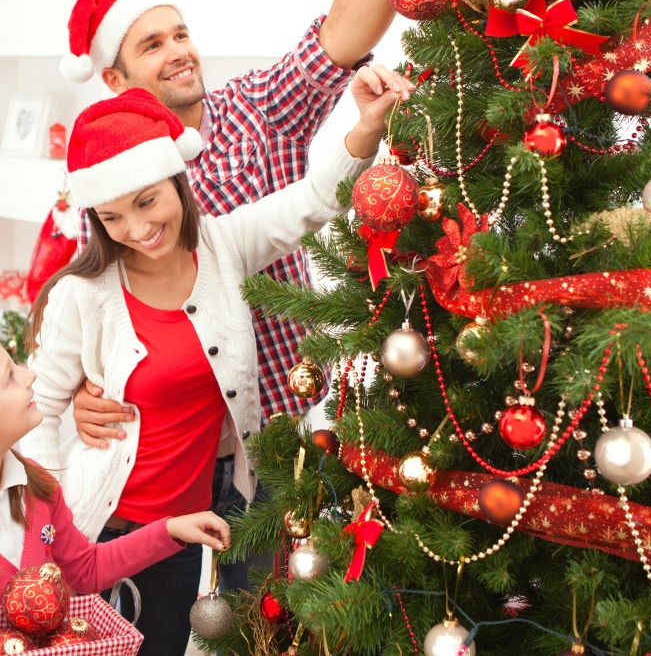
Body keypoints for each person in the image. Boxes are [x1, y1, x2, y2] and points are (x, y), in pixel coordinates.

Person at [58, 0, 446, 589]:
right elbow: (82, 307)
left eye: (180, 34)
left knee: (263, 612)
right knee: (165, 617)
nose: (180, 53)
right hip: (162, 456)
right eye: (153, 45)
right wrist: (80, 397)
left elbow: (337, 45)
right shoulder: (102, 181)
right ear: (115, 79)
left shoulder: (253, 113)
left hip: (270, 439)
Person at [23, 79, 405, 653]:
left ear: (177, 182)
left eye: (147, 202)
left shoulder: (224, 248)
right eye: (113, 217)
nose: (137, 229)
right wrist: (53, 532)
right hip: (102, 531)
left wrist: (367, 127)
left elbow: (313, 200)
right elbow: (40, 412)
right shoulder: (84, 294)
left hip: (180, 534)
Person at [0, 327, 230, 656]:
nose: (30, 375)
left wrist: (169, 530)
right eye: (10, 377)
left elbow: (86, 569)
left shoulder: (37, 489)